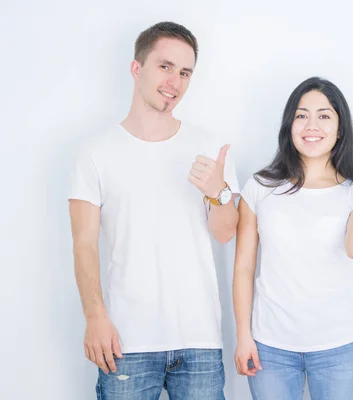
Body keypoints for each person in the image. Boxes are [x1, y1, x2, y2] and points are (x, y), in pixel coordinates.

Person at [68, 21, 239, 399]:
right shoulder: (94, 153)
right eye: (164, 66)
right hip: (126, 342)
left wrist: (219, 191)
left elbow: (226, 232)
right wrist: (94, 317)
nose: (174, 82)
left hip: (199, 341)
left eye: (184, 72)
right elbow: (83, 244)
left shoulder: (210, 146)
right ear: (136, 68)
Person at [232, 76, 353, 399]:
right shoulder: (259, 188)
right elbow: (243, 267)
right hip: (270, 348)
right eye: (302, 115)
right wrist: (243, 335)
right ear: (289, 125)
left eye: (324, 115)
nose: (312, 125)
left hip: (338, 350)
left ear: (340, 129)